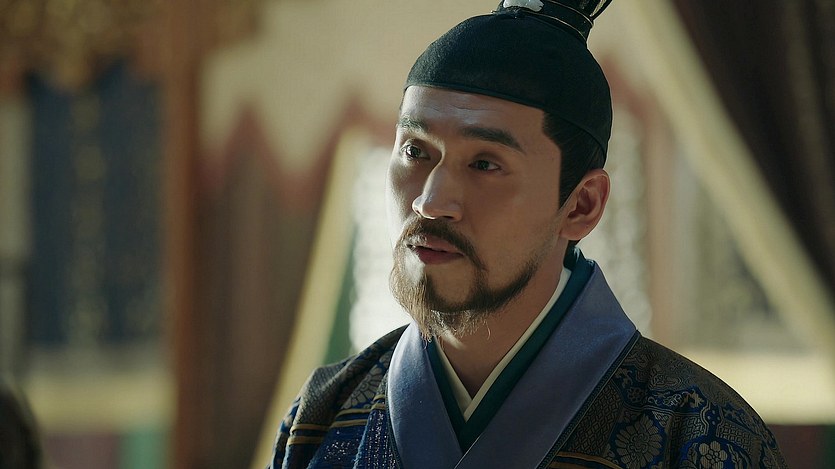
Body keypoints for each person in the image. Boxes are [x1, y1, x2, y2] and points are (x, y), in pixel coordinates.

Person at [270, 1, 787, 467]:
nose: (430, 201)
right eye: (415, 151)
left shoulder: (700, 436)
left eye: (485, 164)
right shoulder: (321, 417)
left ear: (581, 206)